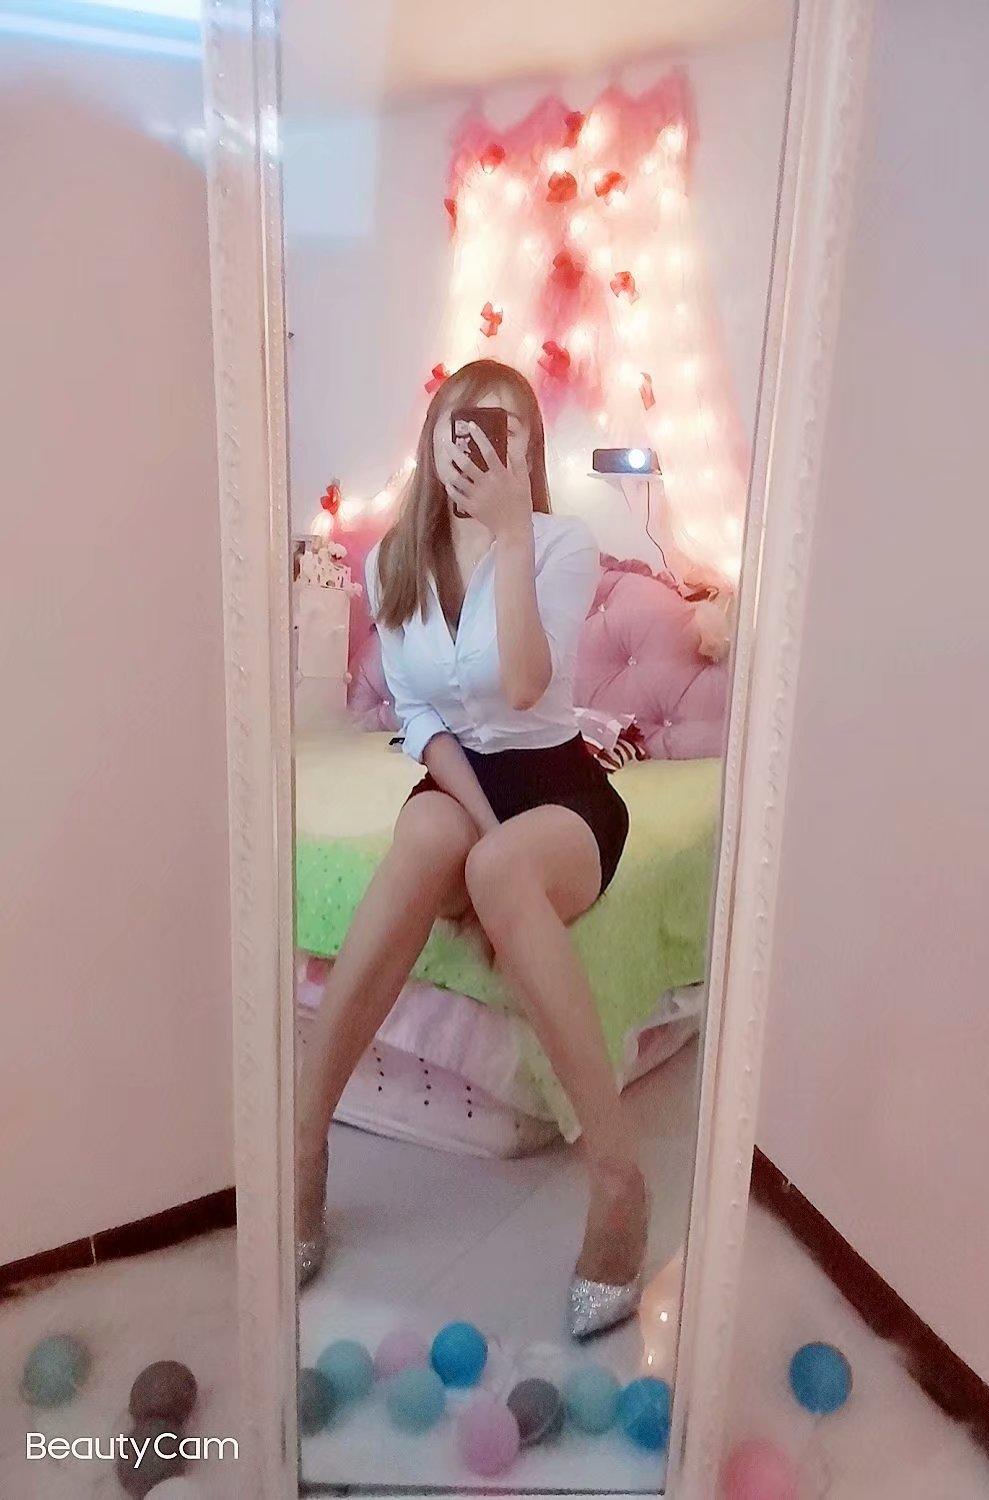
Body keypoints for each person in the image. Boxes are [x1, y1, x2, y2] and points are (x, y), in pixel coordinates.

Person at [295, 359, 645, 1337]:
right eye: (463, 427)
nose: (481, 447)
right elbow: (419, 720)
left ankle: (618, 1177)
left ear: (527, 452)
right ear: (433, 442)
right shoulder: (390, 564)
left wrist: (512, 533)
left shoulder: (562, 544)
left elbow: (528, 686)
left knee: (497, 869)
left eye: (504, 431)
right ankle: (303, 1143)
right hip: (463, 779)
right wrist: (489, 841)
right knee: (432, 842)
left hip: (562, 783)